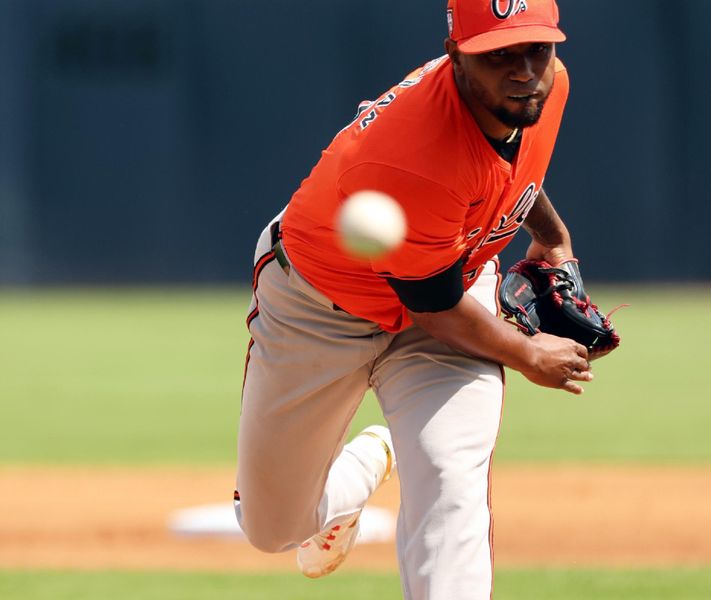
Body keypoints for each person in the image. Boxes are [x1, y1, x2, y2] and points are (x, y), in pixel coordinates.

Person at [235, 0, 593, 597]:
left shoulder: (544, 89)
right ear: (456, 55)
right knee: (273, 529)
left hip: (449, 282)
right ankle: (372, 455)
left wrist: (552, 237)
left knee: (451, 484)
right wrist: (529, 355)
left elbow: (511, 165)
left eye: (537, 48)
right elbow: (435, 309)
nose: (524, 70)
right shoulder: (413, 156)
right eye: (498, 55)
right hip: (322, 307)